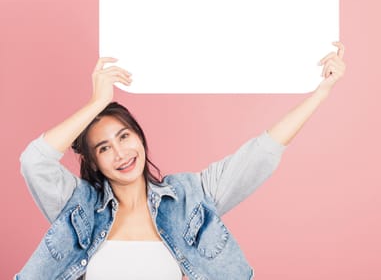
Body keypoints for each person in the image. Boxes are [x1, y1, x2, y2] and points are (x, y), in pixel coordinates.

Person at [15, 42, 346, 280]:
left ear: (140, 137)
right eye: (103, 148)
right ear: (94, 162)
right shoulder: (79, 208)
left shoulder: (191, 197)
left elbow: (262, 152)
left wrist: (322, 91)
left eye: (124, 136)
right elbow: (34, 162)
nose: (120, 153)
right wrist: (98, 101)